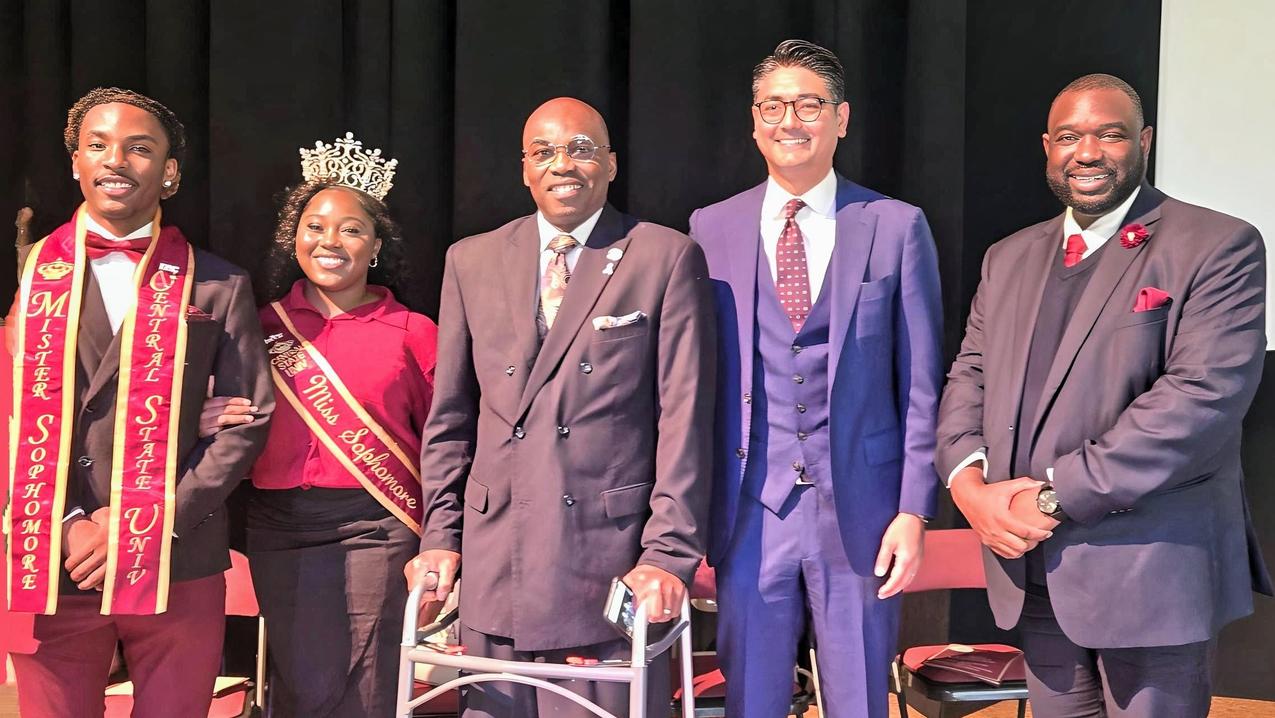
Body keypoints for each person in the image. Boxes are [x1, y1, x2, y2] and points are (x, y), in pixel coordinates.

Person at [936, 73, 1273, 717]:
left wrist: (1052, 497)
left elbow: (1198, 402)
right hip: (1032, 567)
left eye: (1109, 133)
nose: (1087, 151)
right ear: (1046, 148)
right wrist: (967, 488)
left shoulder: (1217, 245)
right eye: (1068, 136)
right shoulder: (1007, 258)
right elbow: (969, 376)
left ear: (1143, 141)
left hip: (1150, 570)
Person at [404, 97, 715, 717]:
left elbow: (684, 419)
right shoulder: (472, 259)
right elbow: (451, 420)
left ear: (610, 163)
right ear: (524, 169)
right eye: (543, 152)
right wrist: (440, 536)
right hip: (499, 562)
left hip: (606, 563)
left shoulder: (663, 256)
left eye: (580, 149)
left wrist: (667, 555)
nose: (562, 165)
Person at [688, 39, 943, 717]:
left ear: (841, 118)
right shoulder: (709, 230)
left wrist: (914, 510)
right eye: (773, 106)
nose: (789, 121)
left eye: (808, 104)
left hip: (859, 512)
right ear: (752, 121)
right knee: (751, 696)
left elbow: (920, 385)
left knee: (859, 693)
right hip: (750, 511)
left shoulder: (894, 226)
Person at [6, 86, 273, 717]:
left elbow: (246, 419)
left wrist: (151, 519)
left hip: (177, 556)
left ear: (170, 172)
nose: (116, 160)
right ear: (75, 162)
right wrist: (70, 523)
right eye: (97, 145)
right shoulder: (26, 274)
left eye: (139, 148)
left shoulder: (219, 283)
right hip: (52, 557)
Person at [198, 132, 437, 716]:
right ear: (295, 238)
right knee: (300, 680)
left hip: (376, 524)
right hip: (278, 525)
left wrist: (444, 538)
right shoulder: (259, 325)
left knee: (368, 678)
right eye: (316, 226)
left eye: (352, 228)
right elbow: (221, 411)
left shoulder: (413, 330)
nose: (331, 240)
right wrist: (199, 415)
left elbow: (446, 442)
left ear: (376, 245)